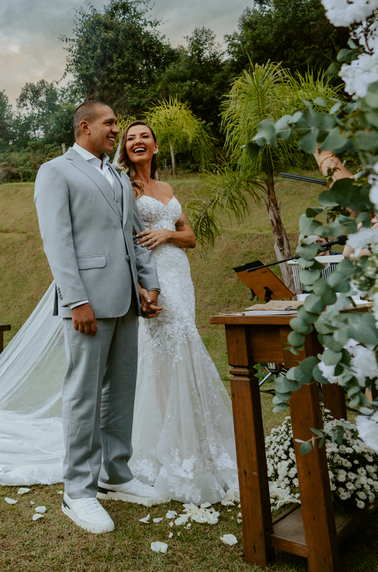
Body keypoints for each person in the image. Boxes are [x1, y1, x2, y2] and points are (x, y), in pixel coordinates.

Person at [34, 100, 163, 532]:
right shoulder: (56, 171)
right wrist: (76, 300)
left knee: (120, 391)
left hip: (126, 301)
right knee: (84, 395)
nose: (116, 130)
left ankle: (115, 473)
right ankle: (78, 492)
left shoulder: (118, 177)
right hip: (86, 303)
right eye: (110, 124)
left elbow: (133, 239)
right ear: (84, 126)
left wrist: (148, 285)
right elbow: (57, 241)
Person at [117, 121, 237, 503]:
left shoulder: (166, 190)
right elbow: (121, 238)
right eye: (130, 137)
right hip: (153, 278)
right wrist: (138, 286)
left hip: (180, 276)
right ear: (125, 147)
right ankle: (167, 446)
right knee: (169, 351)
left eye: (144, 137)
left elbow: (191, 238)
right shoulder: (124, 187)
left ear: (155, 145)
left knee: (185, 346)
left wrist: (168, 233)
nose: (138, 141)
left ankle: (196, 439)